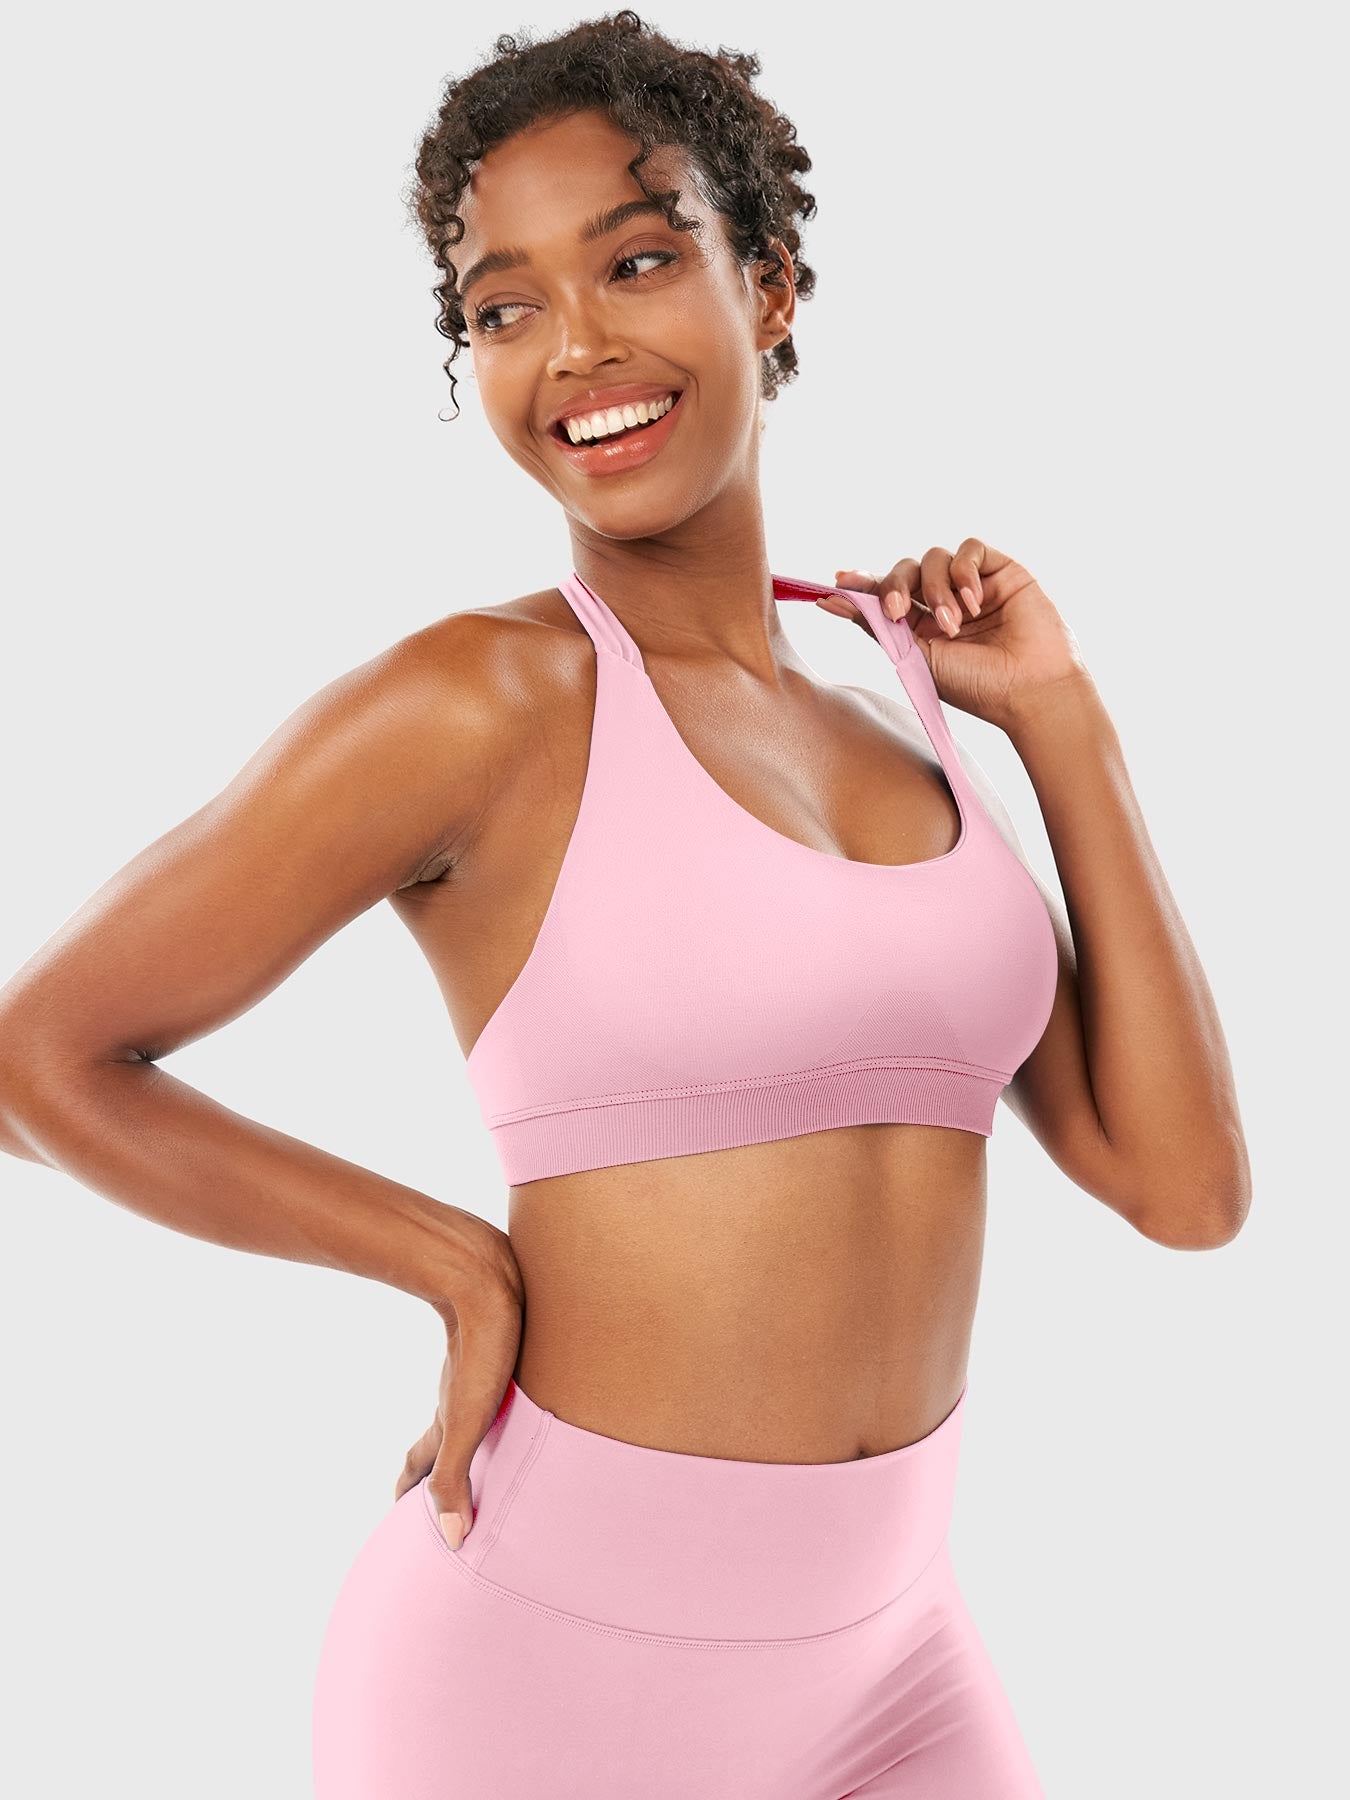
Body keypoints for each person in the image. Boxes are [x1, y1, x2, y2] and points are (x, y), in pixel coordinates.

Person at [0, 13, 1250, 1797]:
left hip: (893, 1665)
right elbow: (40, 1056)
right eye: (503, 308)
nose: (575, 348)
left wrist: (1060, 720)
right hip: (545, 1673)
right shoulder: (480, 702)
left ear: (770, 285)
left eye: (638, 262)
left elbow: (1184, 1191)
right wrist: (449, 1264)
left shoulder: (899, 724)